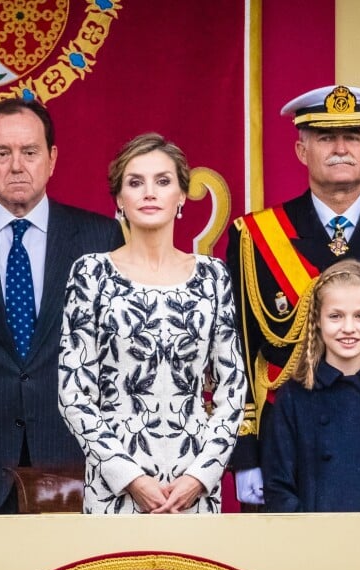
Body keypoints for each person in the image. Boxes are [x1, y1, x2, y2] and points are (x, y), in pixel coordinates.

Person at [0, 97, 124, 514]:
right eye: (2, 153)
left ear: (52, 159)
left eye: (30, 152)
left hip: (73, 463)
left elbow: (117, 359)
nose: (16, 165)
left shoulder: (101, 239)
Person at [58, 132, 247, 514]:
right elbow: (73, 393)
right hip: (115, 486)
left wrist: (201, 476)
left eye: (163, 181)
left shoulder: (213, 276)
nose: (149, 193)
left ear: (181, 197)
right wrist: (129, 477)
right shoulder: (90, 274)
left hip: (193, 484)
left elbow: (234, 390)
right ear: (119, 200)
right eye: (135, 182)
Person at [226, 84, 360, 507]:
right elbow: (238, 347)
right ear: (302, 151)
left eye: (354, 137)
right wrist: (245, 452)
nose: (340, 149)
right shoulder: (257, 236)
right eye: (325, 137)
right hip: (287, 443)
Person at [262, 258, 360, 511]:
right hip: (316, 540)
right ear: (317, 320)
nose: (348, 328)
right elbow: (278, 486)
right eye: (336, 316)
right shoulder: (295, 396)